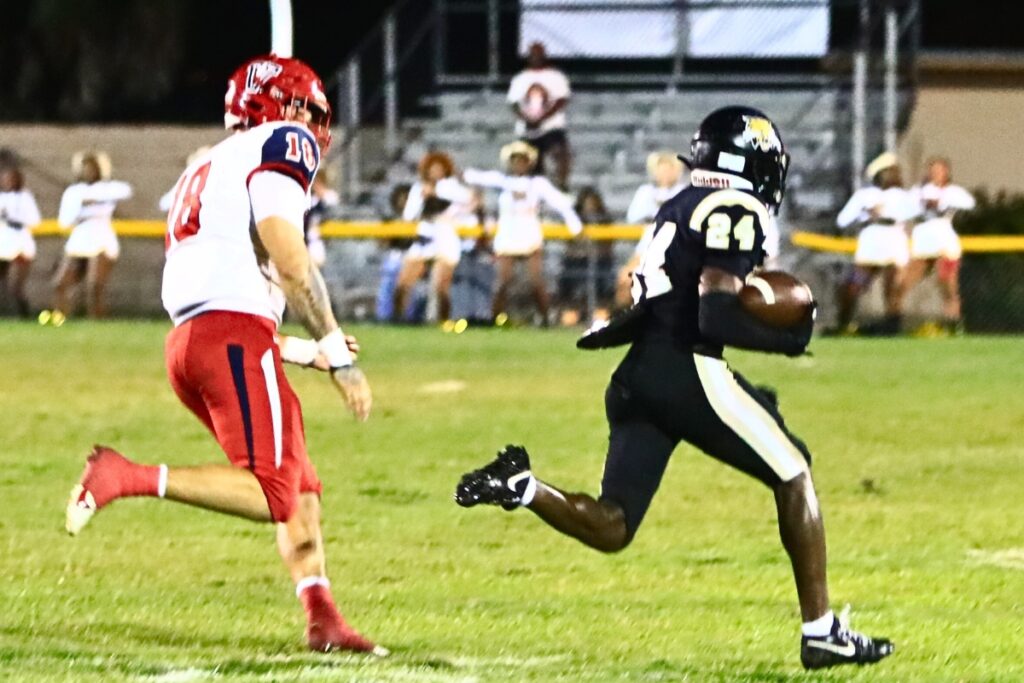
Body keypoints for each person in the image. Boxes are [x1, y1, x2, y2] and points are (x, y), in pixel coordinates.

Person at [455, 107, 893, 671]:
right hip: (688, 367)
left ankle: (522, 486)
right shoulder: (734, 206)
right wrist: (789, 338)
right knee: (793, 471)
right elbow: (714, 312)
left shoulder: (681, 203)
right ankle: (822, 632)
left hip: (639, 372)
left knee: (614, 524)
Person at [64, 54, 385, 656]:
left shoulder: (208, 164)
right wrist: (338, 354)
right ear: (282, 108)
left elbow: (220, 286)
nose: (313, 125)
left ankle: (323, 617)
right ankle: (126, 475)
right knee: (272, 492)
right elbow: (290, 260)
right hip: (231, 337)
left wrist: (300, 351)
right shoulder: (283, 142)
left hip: (196, 343)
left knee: (301, 485)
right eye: (307, 110)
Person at [464, 141, 582, 326]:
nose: (519, 164)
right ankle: (494, 318)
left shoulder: (537, 184)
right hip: (508, 233)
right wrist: (465, 175)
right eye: (515, 160)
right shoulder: (502, 182)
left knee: (535, 281)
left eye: (523, 160)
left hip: (529, 233)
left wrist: (574, 224)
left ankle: (545, 319)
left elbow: (559, 202)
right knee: (503, 281)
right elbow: (476, 177)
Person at [833, 153, 919, 335]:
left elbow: (914, 211)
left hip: (894, 242)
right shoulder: (864, 196)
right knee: (854, 285)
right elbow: (842, 220)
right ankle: (844, 323)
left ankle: (892, 326)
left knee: (893, 287)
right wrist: (866, 213)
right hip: (871, 243)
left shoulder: (903, 195)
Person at [392, 152, 474, 323]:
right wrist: (423, 198)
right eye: (432, 169)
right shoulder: (418, 188)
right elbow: (409, 216)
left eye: (439, 169)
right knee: (404, 282)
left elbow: (467, 198)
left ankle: (444, 321)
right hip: (425, 233)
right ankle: (399, 319)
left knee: (441, 286)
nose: (436, 172)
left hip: (445, 235)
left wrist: (436, 193)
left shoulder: (450, 186)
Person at [50, 151, 132, 321]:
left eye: (92, 168)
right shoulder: (74, 191)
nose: (88, 172)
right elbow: (64, 221)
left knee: (95, 285)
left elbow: (126, 191)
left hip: (101, 236)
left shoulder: (108, 188)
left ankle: (97, 321)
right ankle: (60, 318)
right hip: (80, 236)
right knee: (60, 283)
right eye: (85, 168)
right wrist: (81, 207)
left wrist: (93, 198)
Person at [905, 157, 975, 333]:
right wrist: (922, 201)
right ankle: (892, 322)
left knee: (947, 285)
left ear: (946, 172)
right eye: (931, 170)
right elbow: (905, 207)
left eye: (938, 170)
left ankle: (953, 323)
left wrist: (941, 202)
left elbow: (969, 203)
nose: (934, 173)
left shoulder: (952, 192)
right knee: (904, 282)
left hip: (944, 243)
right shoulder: (918, 191)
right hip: (922, 243)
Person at [617, 152, 688, 308]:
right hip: (649, 243)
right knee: (625, 278)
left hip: (675, 248)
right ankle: (624, 315)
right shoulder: (646, 191)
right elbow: (634, 218)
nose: (665, 173)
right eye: (661, 169)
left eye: (669, 169)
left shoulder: (684, 192)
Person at [507, 42, 572, 189]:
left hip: (551, 127)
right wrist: (527, 119)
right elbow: (514, 104)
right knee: (531, 163)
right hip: (527, 129)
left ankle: (562, 185)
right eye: (533, 54)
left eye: (538, 54)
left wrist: (542, 118)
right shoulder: (520, 78)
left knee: (559, 152)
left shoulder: (555, 76)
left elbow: (561, 100)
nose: (536, 57)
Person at [559, 187, 612, 324]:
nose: (589, 208)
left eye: (592, 204)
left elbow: (607, 248)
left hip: (600, 262)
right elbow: (569, 248)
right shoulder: (574, 222)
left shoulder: (604, 220)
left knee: (600, 276)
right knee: (570, 274)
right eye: (587, 204)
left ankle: (600, 307)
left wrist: (591, 252)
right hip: (577, 262)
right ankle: (572, 308)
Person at [0, 163, 41, 317]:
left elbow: (35, 220)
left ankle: (23, 315)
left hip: (20, 243)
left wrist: (12, 217)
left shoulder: (25, 197)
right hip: (3, 242)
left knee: (16, 285)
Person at [306, 171, 339, 269]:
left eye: (319, 183)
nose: (316, 186)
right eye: (315, 183)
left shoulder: (331, 197)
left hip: (327, 237)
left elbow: (332, 215)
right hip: (313, 238)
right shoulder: (312, 200)